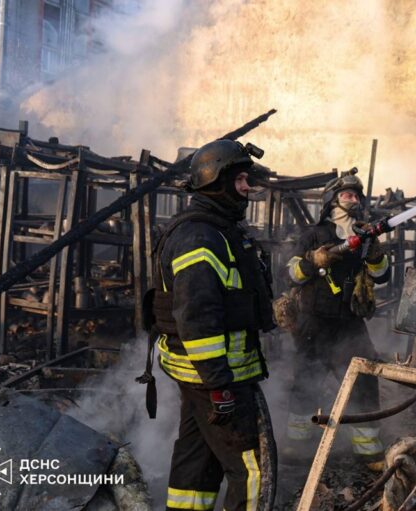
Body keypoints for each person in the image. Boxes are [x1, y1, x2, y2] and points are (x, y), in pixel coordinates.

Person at [148, 139, 275, 511]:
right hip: (217, 377)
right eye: (239, 179)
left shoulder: (216, 230)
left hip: (203, 377)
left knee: (197, 465)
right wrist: (219, 385)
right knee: (252, 472)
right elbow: (197, 320)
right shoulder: (201, 238)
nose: (247, 187)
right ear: (215, 182)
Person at [284, 171, 391, 469]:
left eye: (357, 195)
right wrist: (312, 261)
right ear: (332, 199)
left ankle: (368, 450)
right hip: (314, 322)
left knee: (364, 381)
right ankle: (297, 444)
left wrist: (376, 254)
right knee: (306, 381)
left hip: (350, 323)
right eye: (347, 195)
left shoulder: (365, 235)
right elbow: (290, 273)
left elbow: (382, 276)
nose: (354, 200)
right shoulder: (313, 235)